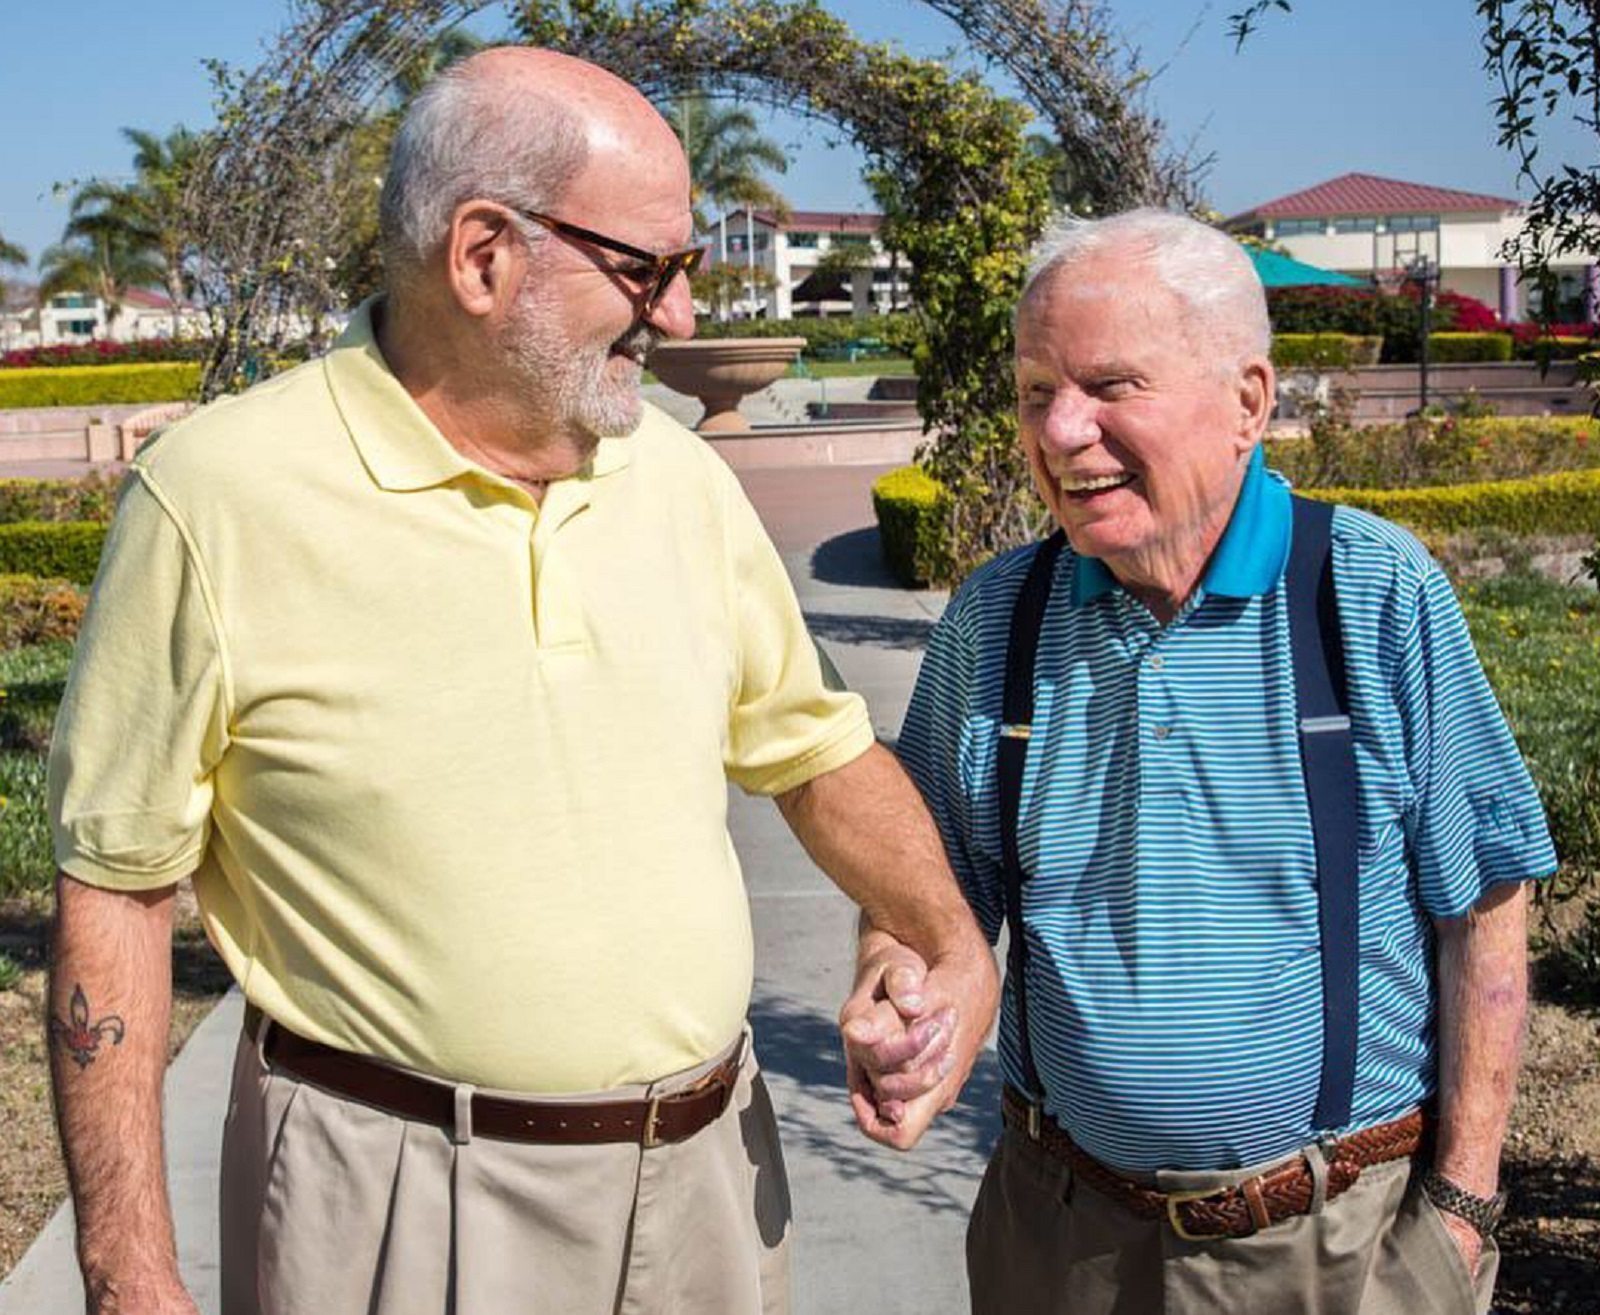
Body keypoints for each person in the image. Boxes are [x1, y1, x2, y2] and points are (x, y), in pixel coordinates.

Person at [45, 47, 994, 1315]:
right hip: (398, 1204)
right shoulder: (218, 499)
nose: (681, 321)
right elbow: (114, 891)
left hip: (711, 1176)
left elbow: (816, 753)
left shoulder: (677, 479)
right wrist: (128, 1278)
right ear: (483, 253)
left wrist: (943, 938)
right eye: (648, 270)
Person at [890, 208, 1556, 1314]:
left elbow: (1483, 901)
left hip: (1331, 1245)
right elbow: (929, 889)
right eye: (1032, 391)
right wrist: (899, 980)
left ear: (1248, 401)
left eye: (1109, 385)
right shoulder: (995, 617)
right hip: (1058, 1237)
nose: (1059, 429)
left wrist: (1462, 1216)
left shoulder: (1370, 594)